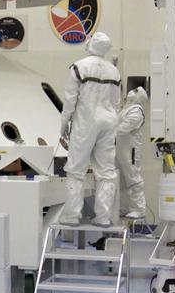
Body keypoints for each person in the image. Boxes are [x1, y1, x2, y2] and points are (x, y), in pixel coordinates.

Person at [58, 32, 120, 227]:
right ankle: (103, 217)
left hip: (86, 122)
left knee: (75, 170)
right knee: (106, 171)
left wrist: (64, 122)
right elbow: (116, 102)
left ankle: (71, 216)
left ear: (91, 44)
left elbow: (70, 99)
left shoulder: (79, 67)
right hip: (109, 122)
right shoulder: (114, 71)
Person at [116, 86, 148, 219]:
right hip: (119, 150)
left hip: (130, 151)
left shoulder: (137, 110)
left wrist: (108, 133)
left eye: (135, 91)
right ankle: (123, 208)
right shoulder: (125, 109)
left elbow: (124, 127)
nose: (131, 92)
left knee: (133, 179)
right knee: (121, 181)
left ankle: (138, 209)